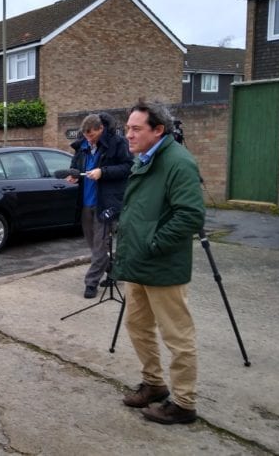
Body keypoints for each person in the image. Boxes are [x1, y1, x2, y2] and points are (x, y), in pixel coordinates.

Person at [112, 101, 205, 425]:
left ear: (158, 130)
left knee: (177, 335)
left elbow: (190, 215)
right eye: (127, 128)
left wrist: (153, 244)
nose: (129, 134)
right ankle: (153, 384)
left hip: (162, 265)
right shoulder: (144, 160)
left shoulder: (178, 163)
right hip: (138, 263)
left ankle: (184, 403)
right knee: (137, 326)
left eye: (136, 128)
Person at [66, 113, 132, 298]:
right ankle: (114, 270)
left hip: (106, 203)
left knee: (100, 246)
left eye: (92, 134)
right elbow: (76, 166)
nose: (89, 138)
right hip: (86, 203)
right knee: (94, 246)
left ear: (100, 129)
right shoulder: (82, 146)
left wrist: (103, 172)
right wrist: (74, 175)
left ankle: (91, 283)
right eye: (86, 135)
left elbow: (128, 167)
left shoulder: (117, 143)